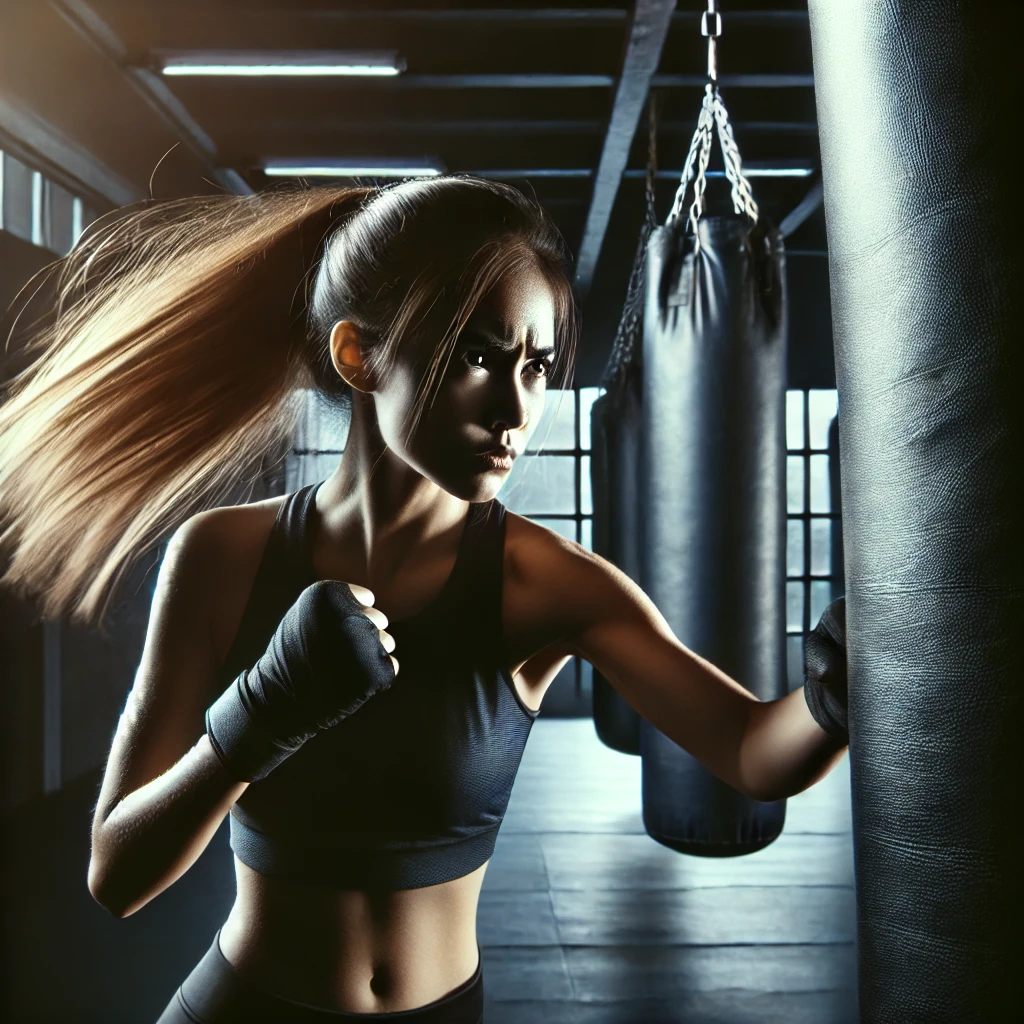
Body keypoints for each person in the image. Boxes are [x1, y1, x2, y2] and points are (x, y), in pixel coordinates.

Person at [0, 176, 848, 1023]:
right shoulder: (224, 557)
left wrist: (841, 689)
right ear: (359, 356)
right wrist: (257, 719)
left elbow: (747, 749)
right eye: (479, 356)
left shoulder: (544, 582)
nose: (517, 408)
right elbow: (115, 874)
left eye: (539, 366)